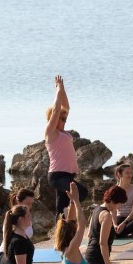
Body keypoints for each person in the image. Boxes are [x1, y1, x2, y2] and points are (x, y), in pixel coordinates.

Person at [45, 75, 88, 219]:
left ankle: (62, 227)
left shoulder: (64, 133)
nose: (64, 120)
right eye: (61, 119)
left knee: (61, 204)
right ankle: (68, 215)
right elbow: (56, 110)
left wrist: (63, 89)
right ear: (54, 119)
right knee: (81, 192)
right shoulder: (51, 132)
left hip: (68, 174)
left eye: (65, 119)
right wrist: (57, 90)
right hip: (57, 176)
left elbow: (65, 107)